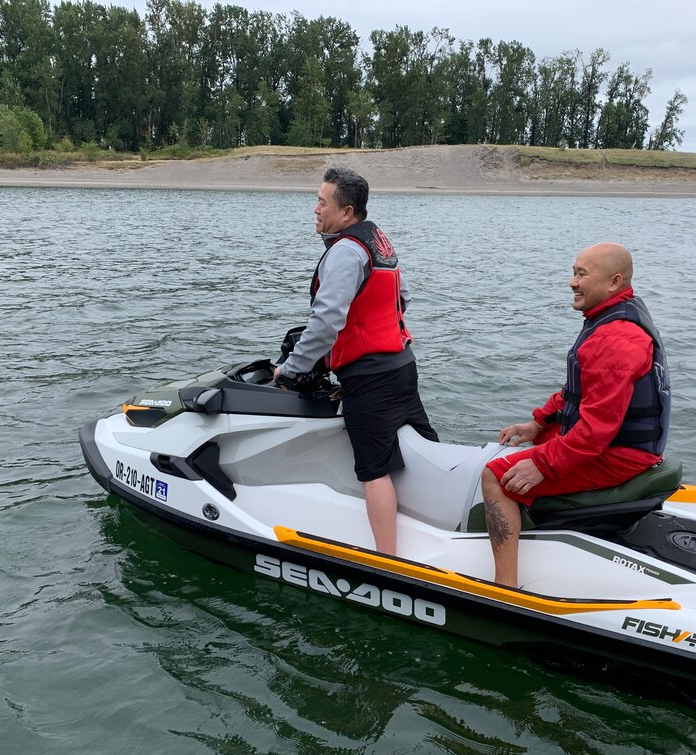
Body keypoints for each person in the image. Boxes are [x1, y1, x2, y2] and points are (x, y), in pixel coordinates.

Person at [481, 242, 671, 587]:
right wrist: (539, 422)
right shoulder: (616, 315)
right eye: (573, 272)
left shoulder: (616, 338)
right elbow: (579, 391)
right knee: (534, 445)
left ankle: (504, 585)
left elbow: (597, 430)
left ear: (614, 282)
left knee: (495, 476)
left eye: (581, 274)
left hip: (619, 454)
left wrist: (542, 465)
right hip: (617, 444)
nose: (572, 282)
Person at [274, 167, 438, 556]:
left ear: (346, 213)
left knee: (373, 469)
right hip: (402, 365)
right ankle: (438, 522)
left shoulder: (345, 252)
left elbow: (327, 321)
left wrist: (293, 369)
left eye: (322, 202)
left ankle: (387, 561)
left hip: (369, 377)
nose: (315, 209)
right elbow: (403, 299)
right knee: (423, 447)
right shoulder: (377, 244)